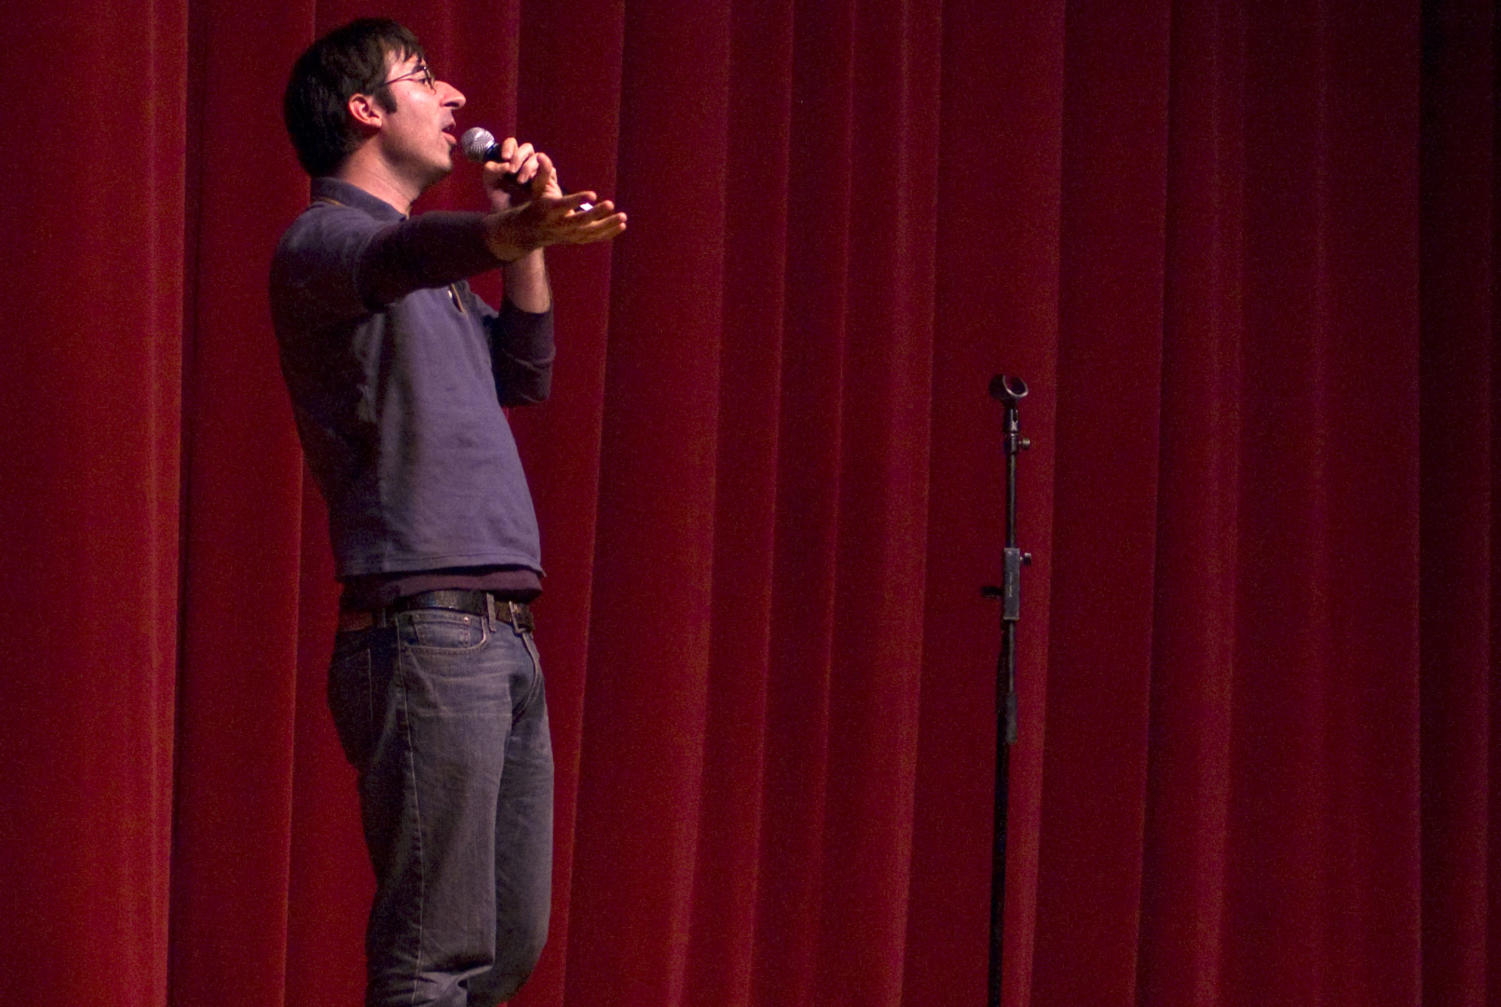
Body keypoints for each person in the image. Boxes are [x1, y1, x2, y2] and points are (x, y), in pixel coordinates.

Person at [270, 18, 625, 1006]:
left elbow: (528, 371)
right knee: (435, 955)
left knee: (507, 944)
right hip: (423, 629)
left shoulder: (433, 275)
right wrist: (504, 231)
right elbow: (402, 257)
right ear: (366, 111)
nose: (456, 97)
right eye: (423, 79)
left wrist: (520, 244)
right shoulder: (327, 241)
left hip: (500, 629)